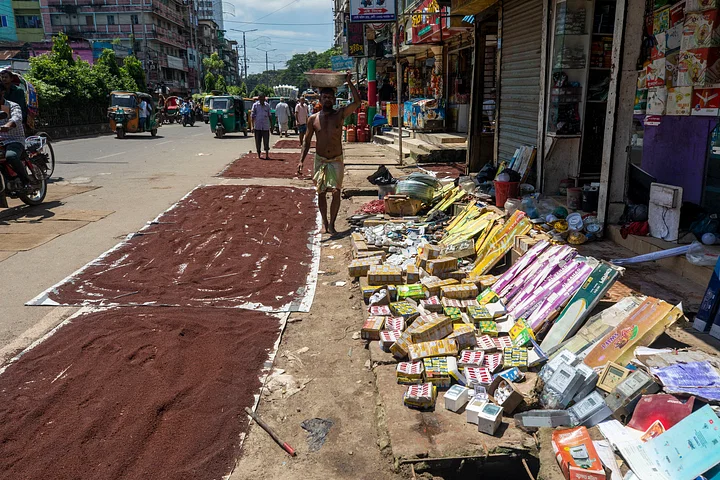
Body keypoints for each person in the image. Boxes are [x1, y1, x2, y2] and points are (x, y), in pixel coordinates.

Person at [297, 72, 360, 235]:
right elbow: (307, 141)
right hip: (320, 160)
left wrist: (349, 82)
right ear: (320, 100)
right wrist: (301, 161)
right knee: (321, 192)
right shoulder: (313, 119)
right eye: (324, 97)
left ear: (334, 100)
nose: (328, 100)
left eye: (330, 98)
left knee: (336, 191)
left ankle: (332, 223)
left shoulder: (339, 115)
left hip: (336, 159)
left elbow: (357, 102)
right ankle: (325, 222)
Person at [0, 86, 31, 189]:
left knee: (11, 156)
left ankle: (26, 181)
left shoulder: (13, 105)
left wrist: (8, 125)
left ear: (2, 92)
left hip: (14, 139)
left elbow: (16, 118)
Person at [251, 94, 272, 159]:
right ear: (259, 99)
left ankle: (267, 155)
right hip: (257, 126)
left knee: (266, 141)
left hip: (265, 126)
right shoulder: (255, 105)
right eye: (261, 99)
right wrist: (252, 126)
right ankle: (259, 154)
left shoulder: (267, 106)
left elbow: (270, 116)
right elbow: (252, 116)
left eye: (263, 99)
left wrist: (271, 125)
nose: (262, 100)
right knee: (258, 141)